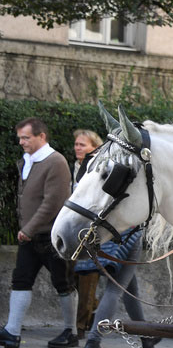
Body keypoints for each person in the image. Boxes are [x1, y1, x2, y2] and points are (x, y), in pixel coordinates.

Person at [1, 118, 77, 348]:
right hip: (31, 236)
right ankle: (11, 332)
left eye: (26, 137)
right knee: (21, 280)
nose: (21, 142)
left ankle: (70, 331)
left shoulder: (55, 161)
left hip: (52, 236)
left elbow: (52, 203)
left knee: (63, 283)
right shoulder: (29, 160)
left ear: (41, 136)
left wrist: (28, 229)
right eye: (20, 138)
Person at [79, 227, 156, 348]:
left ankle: (146, 336)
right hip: (127, 236)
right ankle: (93, 341)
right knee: (115, 290)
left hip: (104, 236)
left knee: (130, 288)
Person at [71, 129, 104, 336]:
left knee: (87, 275)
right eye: (76, 144)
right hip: (75, 229)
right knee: (79, 277)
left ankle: (82, 326)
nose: (77, 148)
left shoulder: (98, 168)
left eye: (82, 144)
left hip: (93, 231)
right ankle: (92, 315)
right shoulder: (73, 167)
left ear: (95, 147)